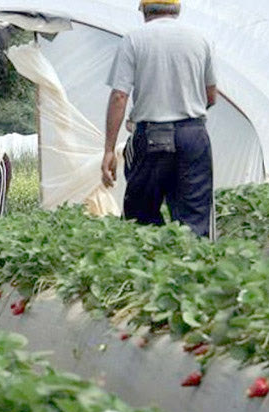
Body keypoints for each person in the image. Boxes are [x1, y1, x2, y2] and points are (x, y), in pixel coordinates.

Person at [101, 0, 217, 237]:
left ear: (144, 10)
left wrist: (109, 150)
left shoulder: (134, 39)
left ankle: (152, 268)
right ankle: (192, 266)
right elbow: (211, 96)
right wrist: (185, 111)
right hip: (193, 136)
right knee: (194, 222)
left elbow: (119, 97)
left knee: (141, 220)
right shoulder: (200, 39)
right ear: (177, 9)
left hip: (151, 137)